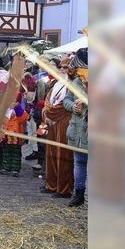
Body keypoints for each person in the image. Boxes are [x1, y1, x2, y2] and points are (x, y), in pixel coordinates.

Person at [42, 55, 74, 198]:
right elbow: (48, 100)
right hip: (52, 121)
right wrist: (46, 115)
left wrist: (50, 114)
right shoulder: (56, 83)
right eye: (60, 67)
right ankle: (52, 184)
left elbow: (66, 105)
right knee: (51, 154)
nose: (62, 69)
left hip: (64, 121)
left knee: (63, 156)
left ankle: (64, 188)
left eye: (65, 67)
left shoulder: (73, 84)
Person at [63, 48, 88, 207]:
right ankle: (79, 195)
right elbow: (66, 100)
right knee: (79, 163)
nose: (77, 71)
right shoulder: (75, 82)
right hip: (77, 132)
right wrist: (73, 106)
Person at [0, 103, 29, 176]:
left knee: (16, 154)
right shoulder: (4, 108)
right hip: (6, 137)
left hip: (16, 138)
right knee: (6, 153)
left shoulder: (17, 110)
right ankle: (6, 167)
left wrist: (17, 108)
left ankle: (15, 169)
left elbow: (24, 117)